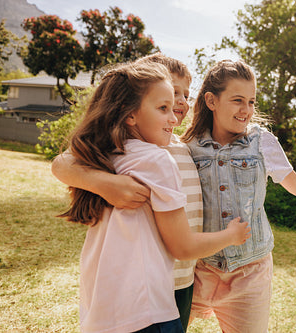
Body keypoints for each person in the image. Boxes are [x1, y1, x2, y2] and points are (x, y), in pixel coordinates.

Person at [58, 59, 251, 333]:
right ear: (132, 110)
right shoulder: (150, 155)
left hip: (166, 282)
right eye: (167, 100)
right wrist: (105, 184)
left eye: (185, 94)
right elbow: (62, 164)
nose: (179, 104)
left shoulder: (137, 148)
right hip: (151, 294)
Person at [178, 59, 296, 333]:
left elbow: (293, 182)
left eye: (251, 101)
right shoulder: (188, 147)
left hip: (249, 273)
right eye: (238, 100)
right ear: (211, 101)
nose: (246, 110)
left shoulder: (261, 141)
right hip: (200, 269)